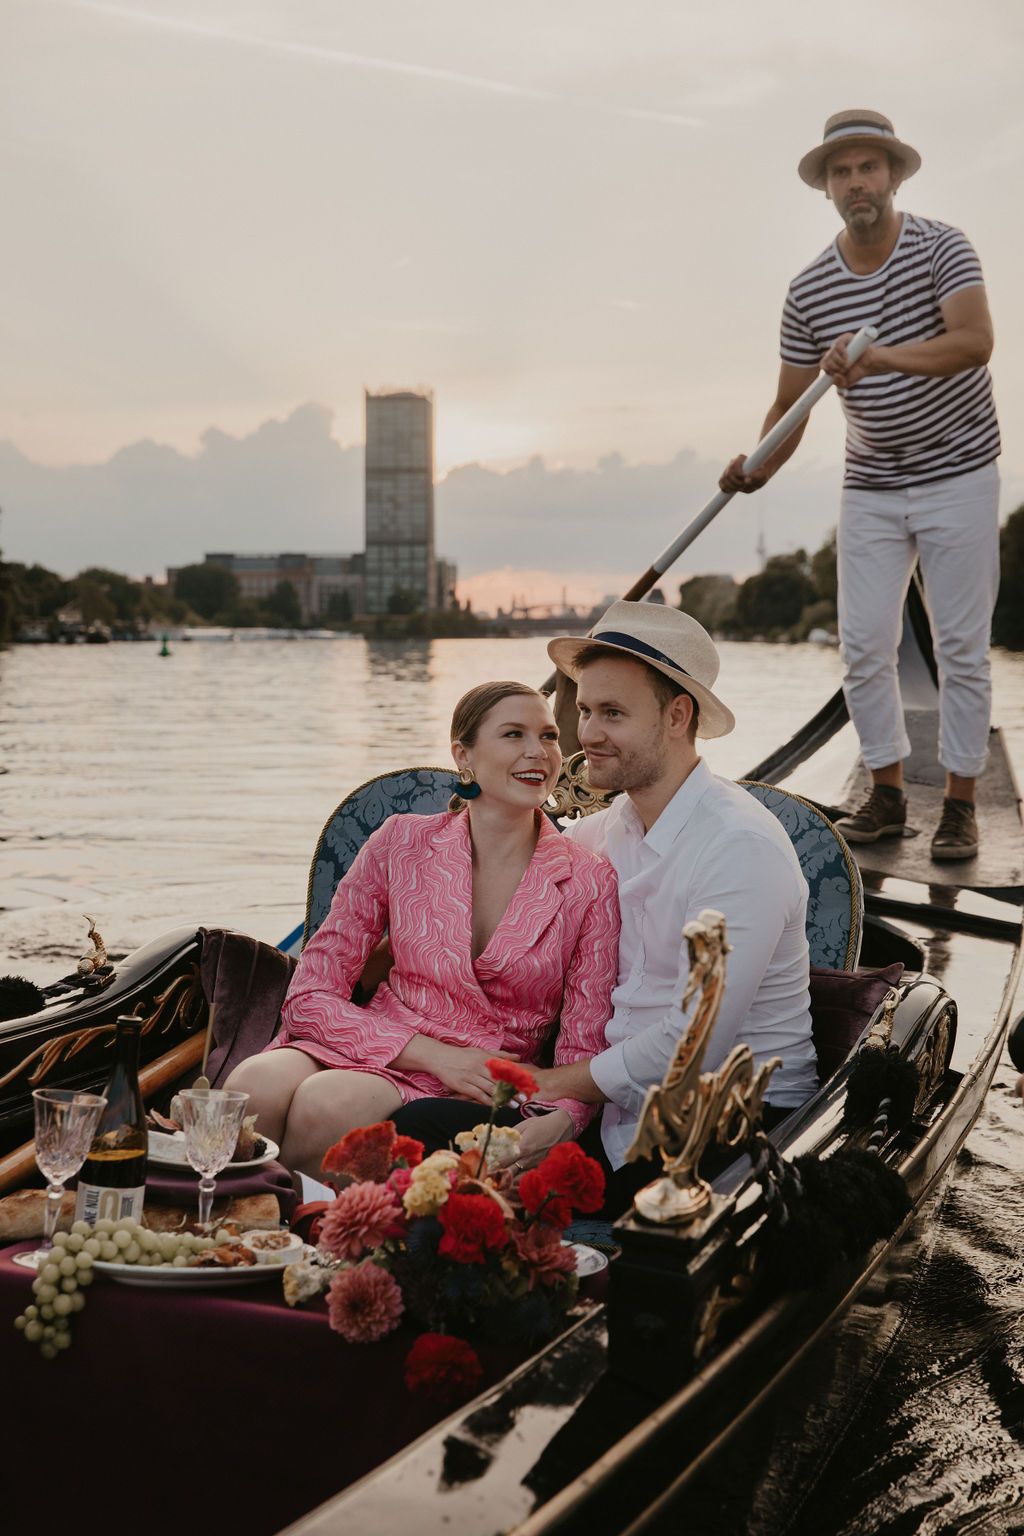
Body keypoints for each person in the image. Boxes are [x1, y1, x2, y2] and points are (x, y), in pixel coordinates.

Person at [394, 602, 818, 1212]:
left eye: (612, 714)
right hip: (612, 1106)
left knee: (483, 1200)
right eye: (585, 710)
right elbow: (495, 912)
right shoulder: (599, 836)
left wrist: (546, 1088)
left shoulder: (739, 848)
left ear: (677, 716)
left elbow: (690, 1044)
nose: (585, 734)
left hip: (732, 1119)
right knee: (418, 1129)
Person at [720, 109, 1000, 863]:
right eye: (841, 172)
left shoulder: (943, 246)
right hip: (872, 483)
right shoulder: (810, 289)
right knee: (863, 645)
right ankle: (886, 793)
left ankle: (962, 806)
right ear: (828, 189)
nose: (856, 183)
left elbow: (976, 342)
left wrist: (881, 359)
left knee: (962, 649)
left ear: (895, 175)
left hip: (960, 472)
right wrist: (757, 466)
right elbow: (790, 404)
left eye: (868, 167)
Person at [225, 680, 620, 1178]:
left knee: (327, 1104)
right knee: (249, 1086)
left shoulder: (590, 881)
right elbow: (309, 996)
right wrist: (432, 1055)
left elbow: (586, 1045)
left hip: (478, 1076)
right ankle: (227, 1238)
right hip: (373, 1036)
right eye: (514, 734)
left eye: (548, 736)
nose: (537, 753)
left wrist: (562, 1118)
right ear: (464, 755)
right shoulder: (400, 842)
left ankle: (312, 1242)